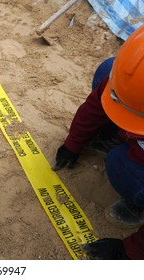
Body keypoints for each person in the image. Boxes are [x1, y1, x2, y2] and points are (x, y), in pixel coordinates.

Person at [53, 24, 144, 259]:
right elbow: (97, 104)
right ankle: (115, 135)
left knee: (119, 163)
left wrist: (130, 251)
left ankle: (138, 202)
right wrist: (73, 143)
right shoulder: (135, 73)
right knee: (108, 69)